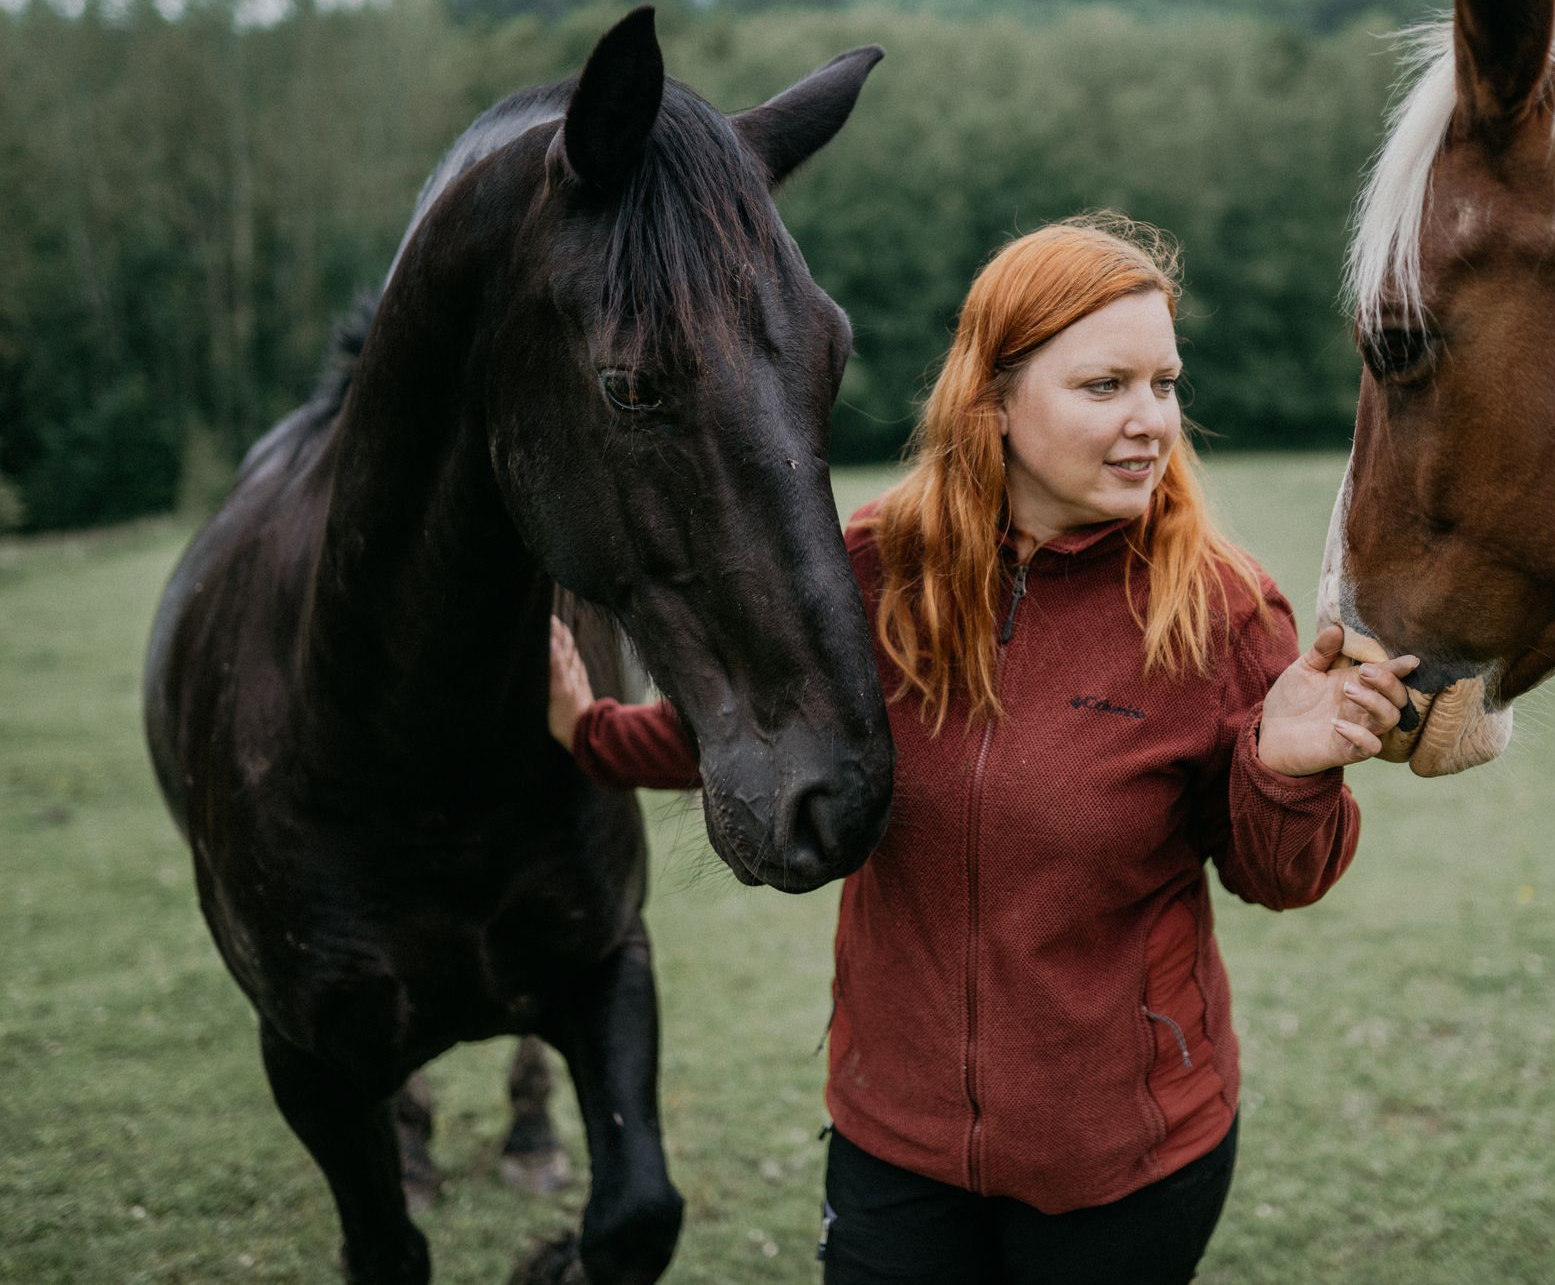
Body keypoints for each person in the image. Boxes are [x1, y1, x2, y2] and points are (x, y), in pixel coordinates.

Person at [546, 213, 1416, 1284]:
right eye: (1105, 387)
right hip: (892, 1144)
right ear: (993, 400)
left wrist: (1287, 771)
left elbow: (1276, 877)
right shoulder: (868, 568)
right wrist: (586, 729)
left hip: (1125, 1161)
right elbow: (743, 730)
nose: (1151, 421)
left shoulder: (1222, 610)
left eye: (1165, 383)